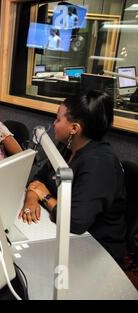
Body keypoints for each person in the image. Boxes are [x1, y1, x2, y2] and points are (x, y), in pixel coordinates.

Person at [19, 90, 127, 261]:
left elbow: (75, 221)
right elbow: (38, 179)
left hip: (96, 248)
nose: (53, 124)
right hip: (61, 230)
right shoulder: (66, 146)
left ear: (74, 128)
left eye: (58, 119)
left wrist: (45, 196)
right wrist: (31, 198)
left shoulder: (99, 164)